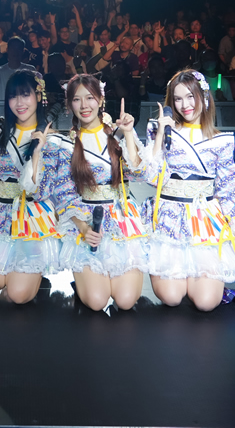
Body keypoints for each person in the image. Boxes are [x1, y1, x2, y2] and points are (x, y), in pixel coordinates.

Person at [144, 69, 235, 311]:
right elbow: (151, 178)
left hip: (204, 220)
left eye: (190, 97)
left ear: (204, 97)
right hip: (169, 217)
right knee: (171, 297)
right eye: (178, 99)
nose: (185, 105)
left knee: (206, 303)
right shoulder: (161, 130)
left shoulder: (221, 140)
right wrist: (160, 136)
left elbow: (227, 189)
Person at [50, 75, 148, 311]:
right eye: (77, 99)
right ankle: (83, 283)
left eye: (90, 98)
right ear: (69, 105)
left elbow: (139, 173)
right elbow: (63, 194)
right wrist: (84, 228)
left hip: (120, 218)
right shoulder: (66, 144)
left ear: (101, 99)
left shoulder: (117, 135)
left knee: (125, 301)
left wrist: (129, 133)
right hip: (86, 220)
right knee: (96, 301)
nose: (84, 105)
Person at [0, 70, 63, 303]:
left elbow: (40, 191)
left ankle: (31, 275)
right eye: (13, 96)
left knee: (18, 296)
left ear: (38, 96)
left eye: (25, 95)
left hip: (32, 216)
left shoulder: (51, 138)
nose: (19, 102)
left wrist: (37, 154)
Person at [0, 36, 36, 100]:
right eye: (13, 48)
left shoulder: (30, 70)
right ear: (7, 50)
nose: (15, 51)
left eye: (18, 48)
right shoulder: (0, 70)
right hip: (4, 106)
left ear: (23, 51)